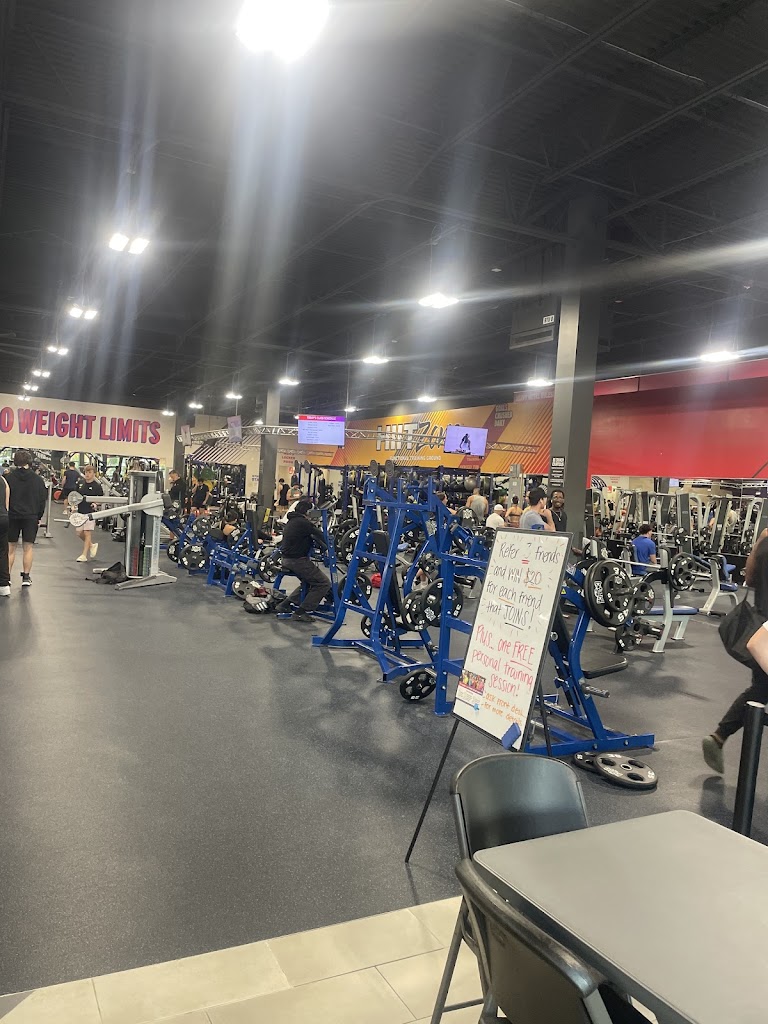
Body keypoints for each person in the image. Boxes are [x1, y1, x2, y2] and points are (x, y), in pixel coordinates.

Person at [703, 529, 768, 775]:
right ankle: (720, 736)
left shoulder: (764, 540)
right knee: (761, 689)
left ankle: (719, 736)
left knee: (760, 689)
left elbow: (749, 579)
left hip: (760, 624)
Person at [274, 499, 330, 623]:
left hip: (287, 559)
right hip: (297, 561)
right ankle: (301, 612)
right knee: (323, 583)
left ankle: (285, 604)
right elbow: (323, 536)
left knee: (309, 581)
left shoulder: (292, 520)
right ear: (308, 512)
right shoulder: (303, 523)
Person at [6, 449, 48, 586]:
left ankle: (6, 578)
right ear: (29, 462)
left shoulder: (8, 478)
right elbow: (42, 500)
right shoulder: (38, 480)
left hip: (11, 516)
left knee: (10, 548)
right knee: (28, 547)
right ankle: (26, 577)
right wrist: (38, 516)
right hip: (31, 517)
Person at [74, 464, 104, 562]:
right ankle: (91, 545)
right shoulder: (80, 483)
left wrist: (95, 504)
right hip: (80, 511)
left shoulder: (97, 486)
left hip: (90, 513)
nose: (87, 474)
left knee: (87, 532)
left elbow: (101, 499)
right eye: (86, 472)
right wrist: (73, 506)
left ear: (94, 474)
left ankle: (84, 555)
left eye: (90, 472)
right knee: (79, 533)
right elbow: (75, 496)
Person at [0, 470, 9, 597]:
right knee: (2, 551)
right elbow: (7, 503)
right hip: (3, 517)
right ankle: (4, 586)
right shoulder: (3, 480)